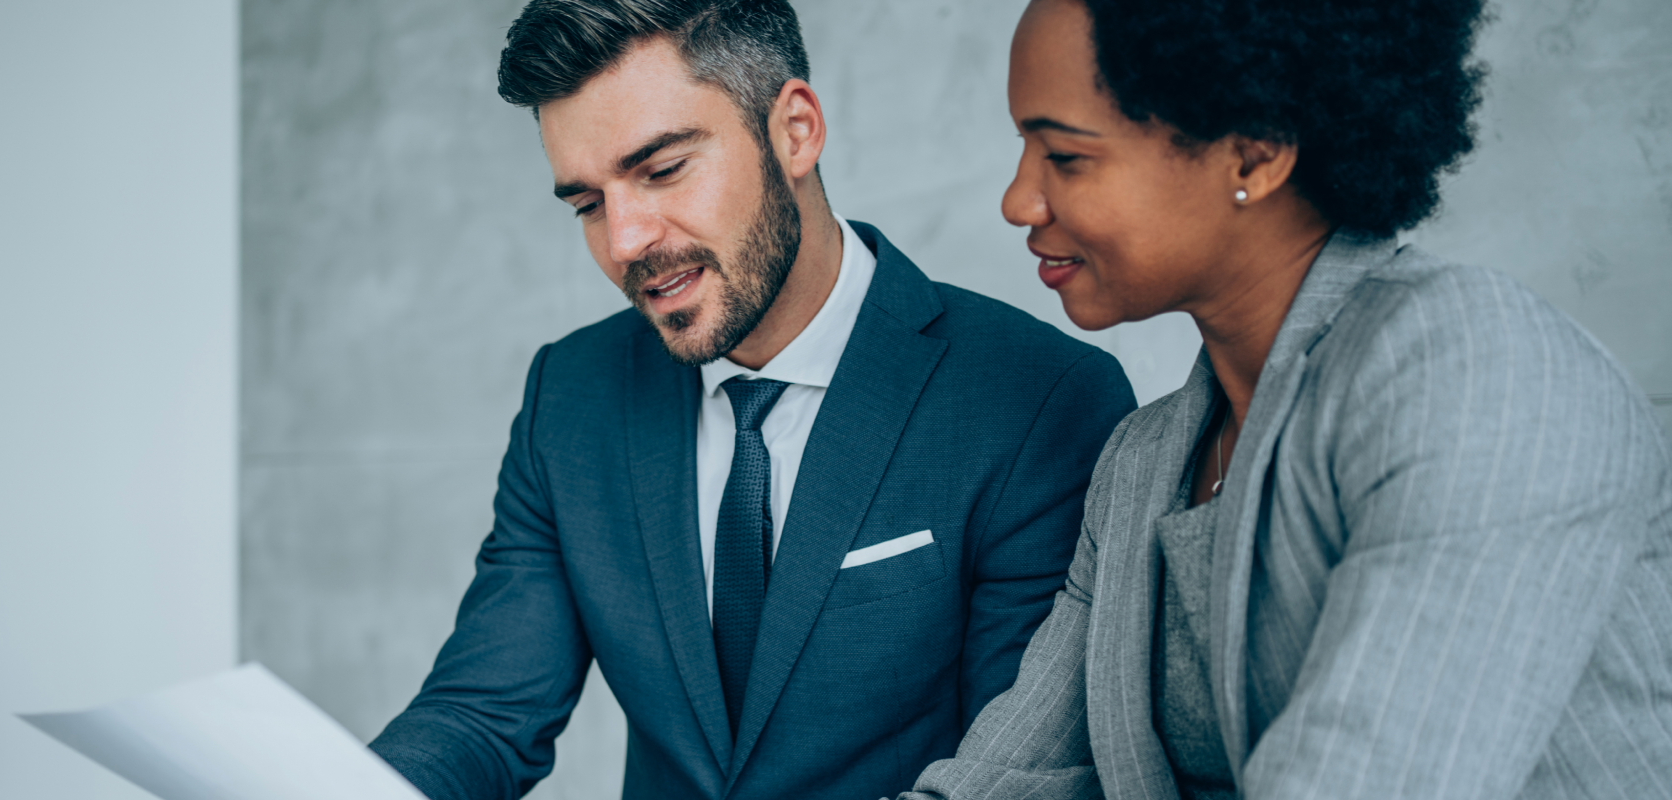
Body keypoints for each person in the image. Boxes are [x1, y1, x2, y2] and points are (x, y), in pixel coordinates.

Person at [898, 0, 1672, 798]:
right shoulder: (1143, 461)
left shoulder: (1484, 373)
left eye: (1065, 157)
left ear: (1253, 156)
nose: (1018, 201)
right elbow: (1004, 778)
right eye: (1024, 149)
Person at [367, 2, 1137, 799]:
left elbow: (1013, 772)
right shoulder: (569, 398)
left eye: (663, 170)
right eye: (588, 205)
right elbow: (480, 715)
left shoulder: (1035, 399)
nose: (626, 239)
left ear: (795, 131)